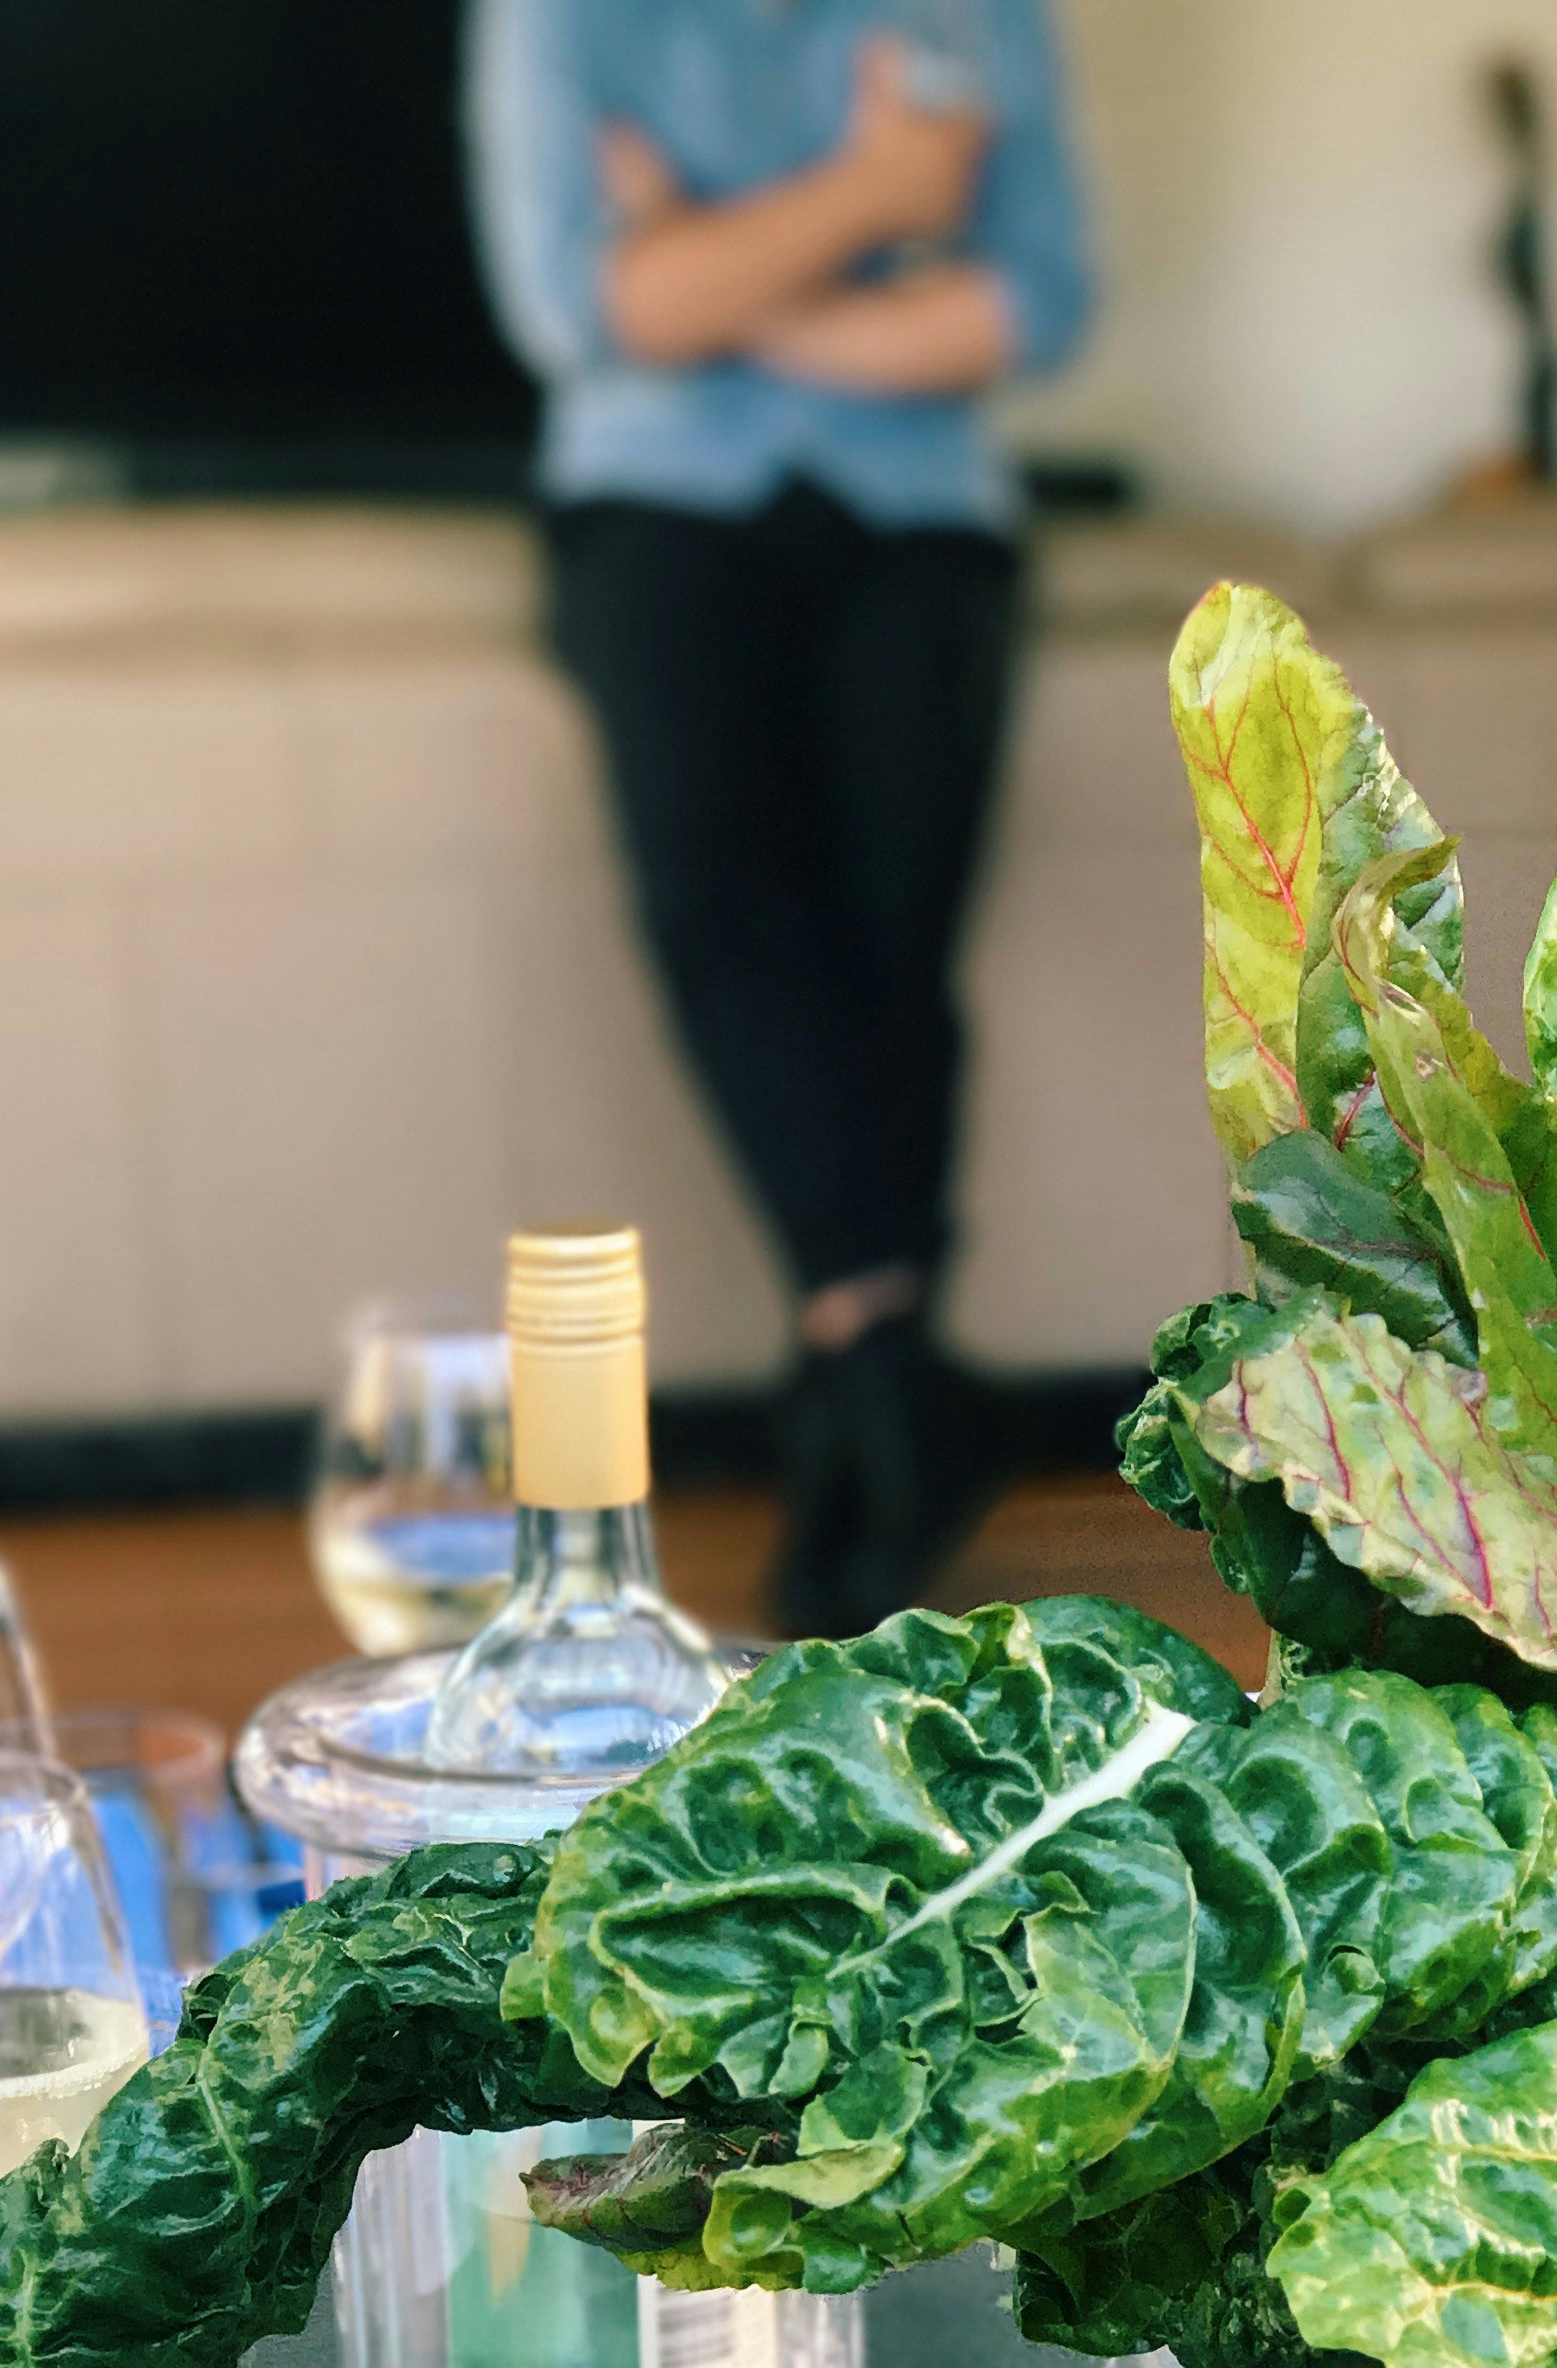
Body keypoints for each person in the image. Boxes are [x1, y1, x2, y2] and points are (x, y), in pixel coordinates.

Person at [467, 0, 1091, 1626]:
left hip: (925, 518)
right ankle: (889, 1377)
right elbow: (583, 309)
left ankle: (865, 1402)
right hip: (653, 517)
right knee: (717, 899)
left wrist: (719, 273)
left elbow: (1036, 301)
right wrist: (882, 196)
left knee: (896, 931)